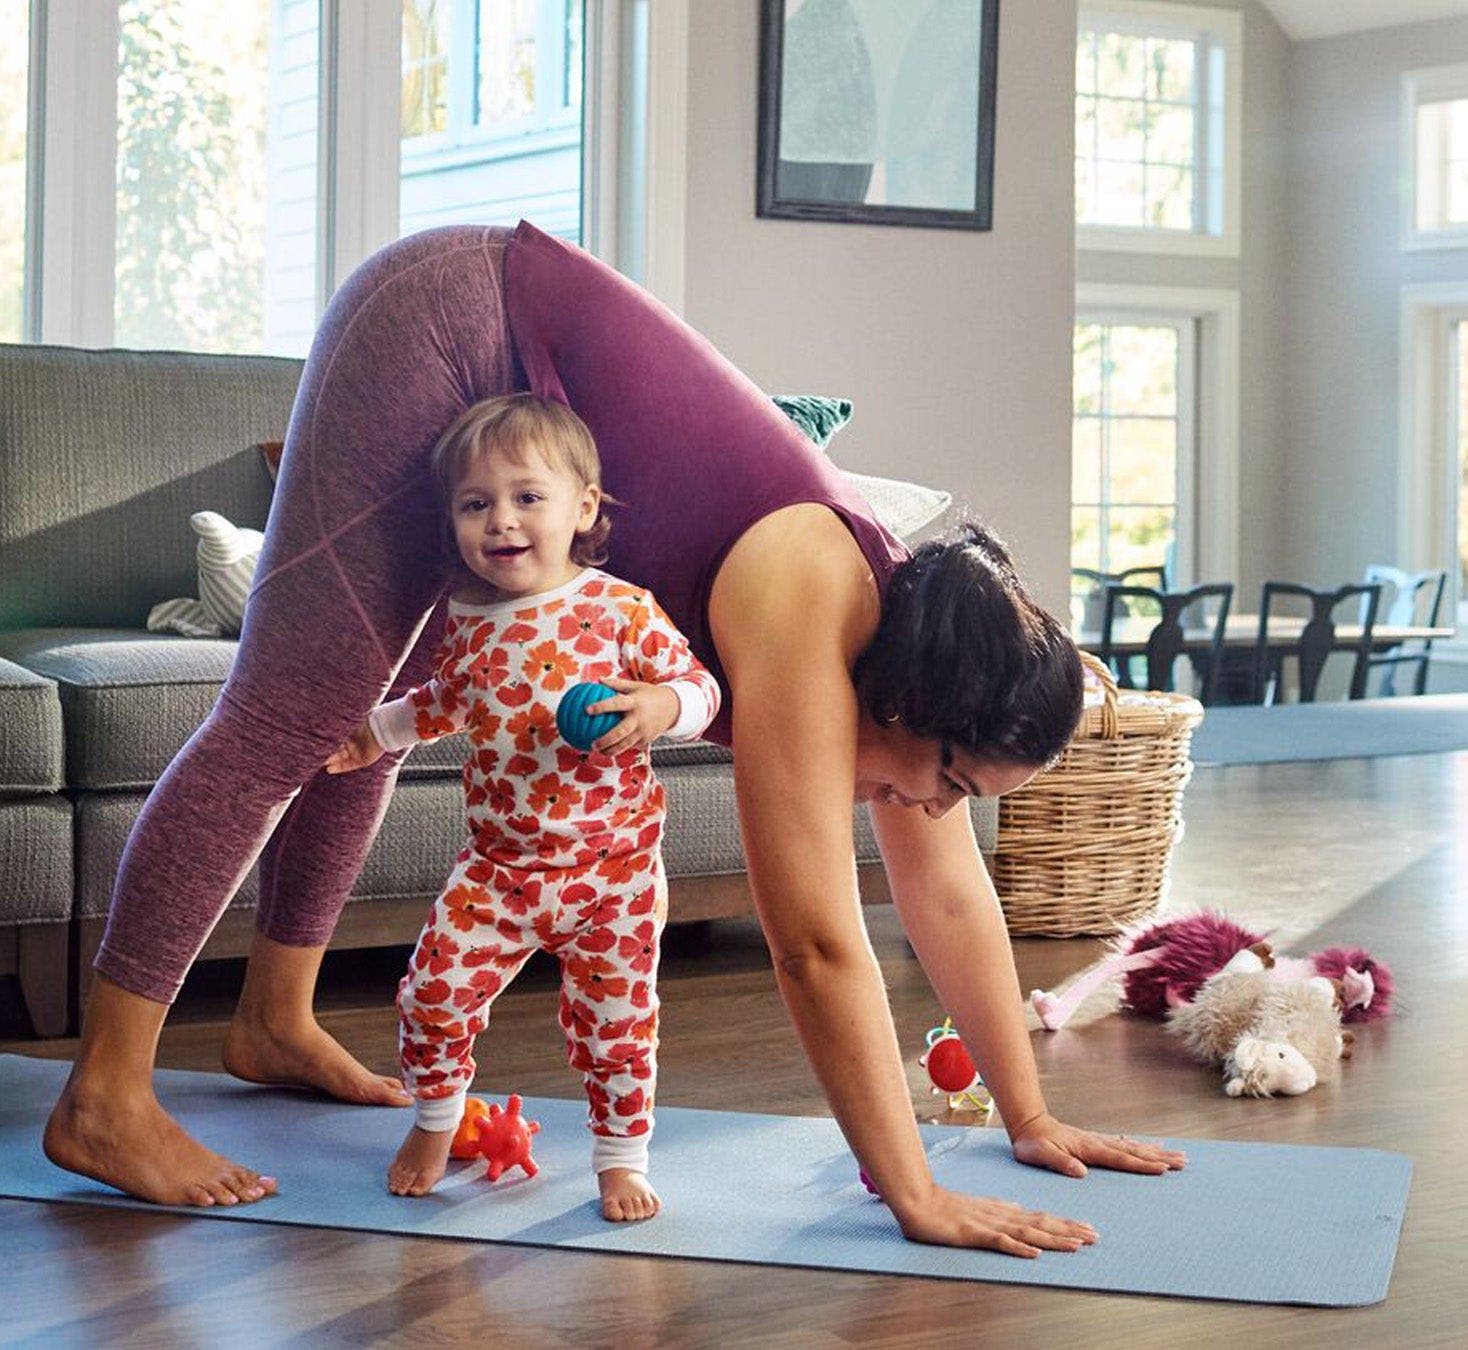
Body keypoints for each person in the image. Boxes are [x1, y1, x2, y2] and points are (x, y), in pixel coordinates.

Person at [45, 221, 1185, 1252]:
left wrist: (1027, 1113)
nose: (937, 812)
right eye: (948, 783)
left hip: (501, 365)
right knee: (289, 715)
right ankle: (105, 1097)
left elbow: (945, 895)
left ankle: (273, 1021)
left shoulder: (912, 665)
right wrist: (914, 1196)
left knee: (369, 715)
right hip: (450, 322)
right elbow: (816, 946)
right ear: (918, 708)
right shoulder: (810, 600)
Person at [324, 393, 719, 1220]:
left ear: (584, 507)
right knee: (433, 994)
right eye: (476, 504)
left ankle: (620, 1158)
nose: (501, 521)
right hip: (498, 869)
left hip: (614, 874)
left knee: (618, 1025)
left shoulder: (622, 609)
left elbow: (702, 690)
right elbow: (441, 701)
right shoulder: (467, 621)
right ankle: (436, 1119)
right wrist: (374, 735)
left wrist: (658, 708)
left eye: (526, 497)